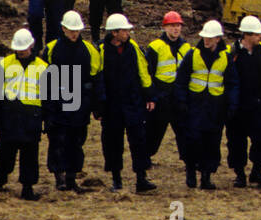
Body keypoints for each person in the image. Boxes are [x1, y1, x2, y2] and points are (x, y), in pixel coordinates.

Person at [98, 13, 156, 192]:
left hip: (133, 103)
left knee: (139, 141)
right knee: (112, 143)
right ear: (114, 33)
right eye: (124, 30)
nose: (128, 33)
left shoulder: (134, 48)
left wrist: (149, 96)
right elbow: (96, 77)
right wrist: (99, 105)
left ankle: (141, 179)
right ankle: (117, 180)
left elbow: (143, 73)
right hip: (111, 106)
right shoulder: (100, 51)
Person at [0, 28, 47, 200]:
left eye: (23, 48)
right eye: (18, 48)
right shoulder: (5, 64)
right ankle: (1, 178)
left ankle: (27, 187)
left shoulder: (43, 68)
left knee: (30, 154)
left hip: (32, 117)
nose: (20, 51)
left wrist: (49, 119)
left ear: (31, 46)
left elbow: (49, 97)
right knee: (5, 151)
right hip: (10, 116)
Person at [44, 11, 99, 192]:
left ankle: (71, 177)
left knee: (76, 141)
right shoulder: (51, 49)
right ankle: (59, 177)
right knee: (57, 140)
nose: (74, 33)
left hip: (80, 102)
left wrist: (93, 105)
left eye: (76, 30)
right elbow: (45, 78)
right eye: (71, 30)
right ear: (63, 29)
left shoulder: (90, 50)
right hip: (57, 101)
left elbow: (96, 77)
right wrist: (48, 107)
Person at [175, 20, 231, 189]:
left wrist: (230, 105)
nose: (206, 40)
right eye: (205, 37)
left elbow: (232, 83)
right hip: (195, 106)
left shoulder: (226, 57)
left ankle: (206, 177)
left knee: (212, 142)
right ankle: (191, 171)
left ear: (218, 39)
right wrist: (182, 102)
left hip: (215, 107)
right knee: (192, 140)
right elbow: (181, 80)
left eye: (210, 38)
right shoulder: (193, 55)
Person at [225, 15, 261, 188]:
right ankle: (239, 174)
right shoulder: (232, 53)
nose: (260, 37)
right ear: (247, 35)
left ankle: (257, 171)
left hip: (257, 104)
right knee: (236, 141)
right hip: (238, 107)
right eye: (257, 34)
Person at [144, 10, 191, 168]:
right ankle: (146, 157)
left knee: (184, 130)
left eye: (178, 26)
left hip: (178, 95)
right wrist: (151, 96)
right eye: (172, 26)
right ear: (164, 28)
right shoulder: (155, 47)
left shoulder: (186, 48)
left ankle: (188, 159)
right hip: (161, 95)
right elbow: (148, 73)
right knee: (154, 129)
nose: (175, 29)